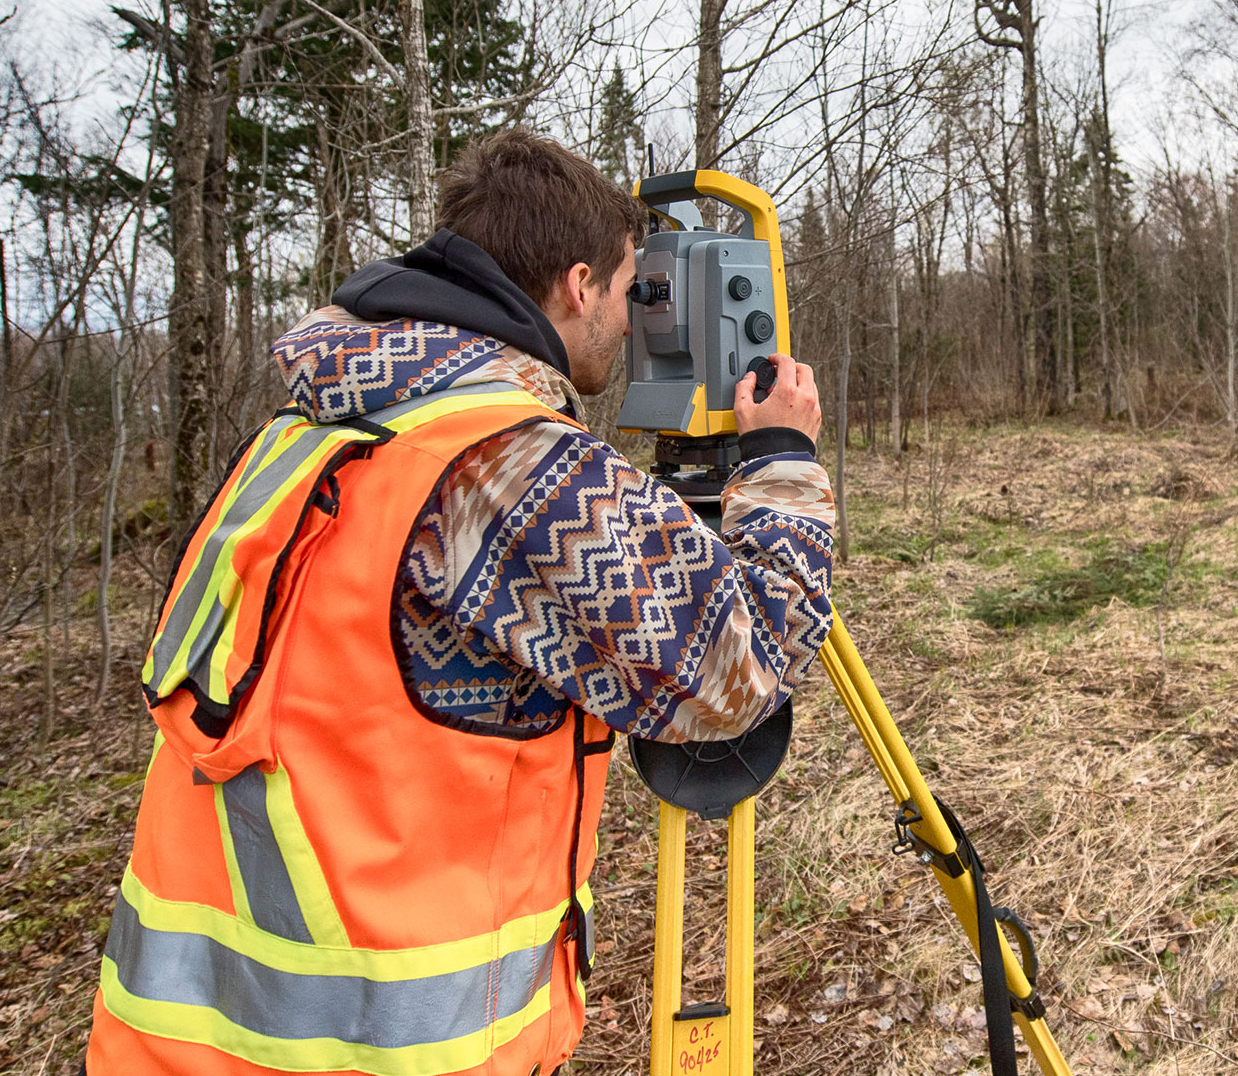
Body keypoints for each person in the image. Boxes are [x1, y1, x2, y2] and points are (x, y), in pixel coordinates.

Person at [85, 129, 835, 1075]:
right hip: (389, 1047)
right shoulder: (502, 460)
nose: (632, 318)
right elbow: (743, 665)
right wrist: (780, 462)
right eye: (628, 289)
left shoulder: (328, 415)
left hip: (190, 1036)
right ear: (575, 285)